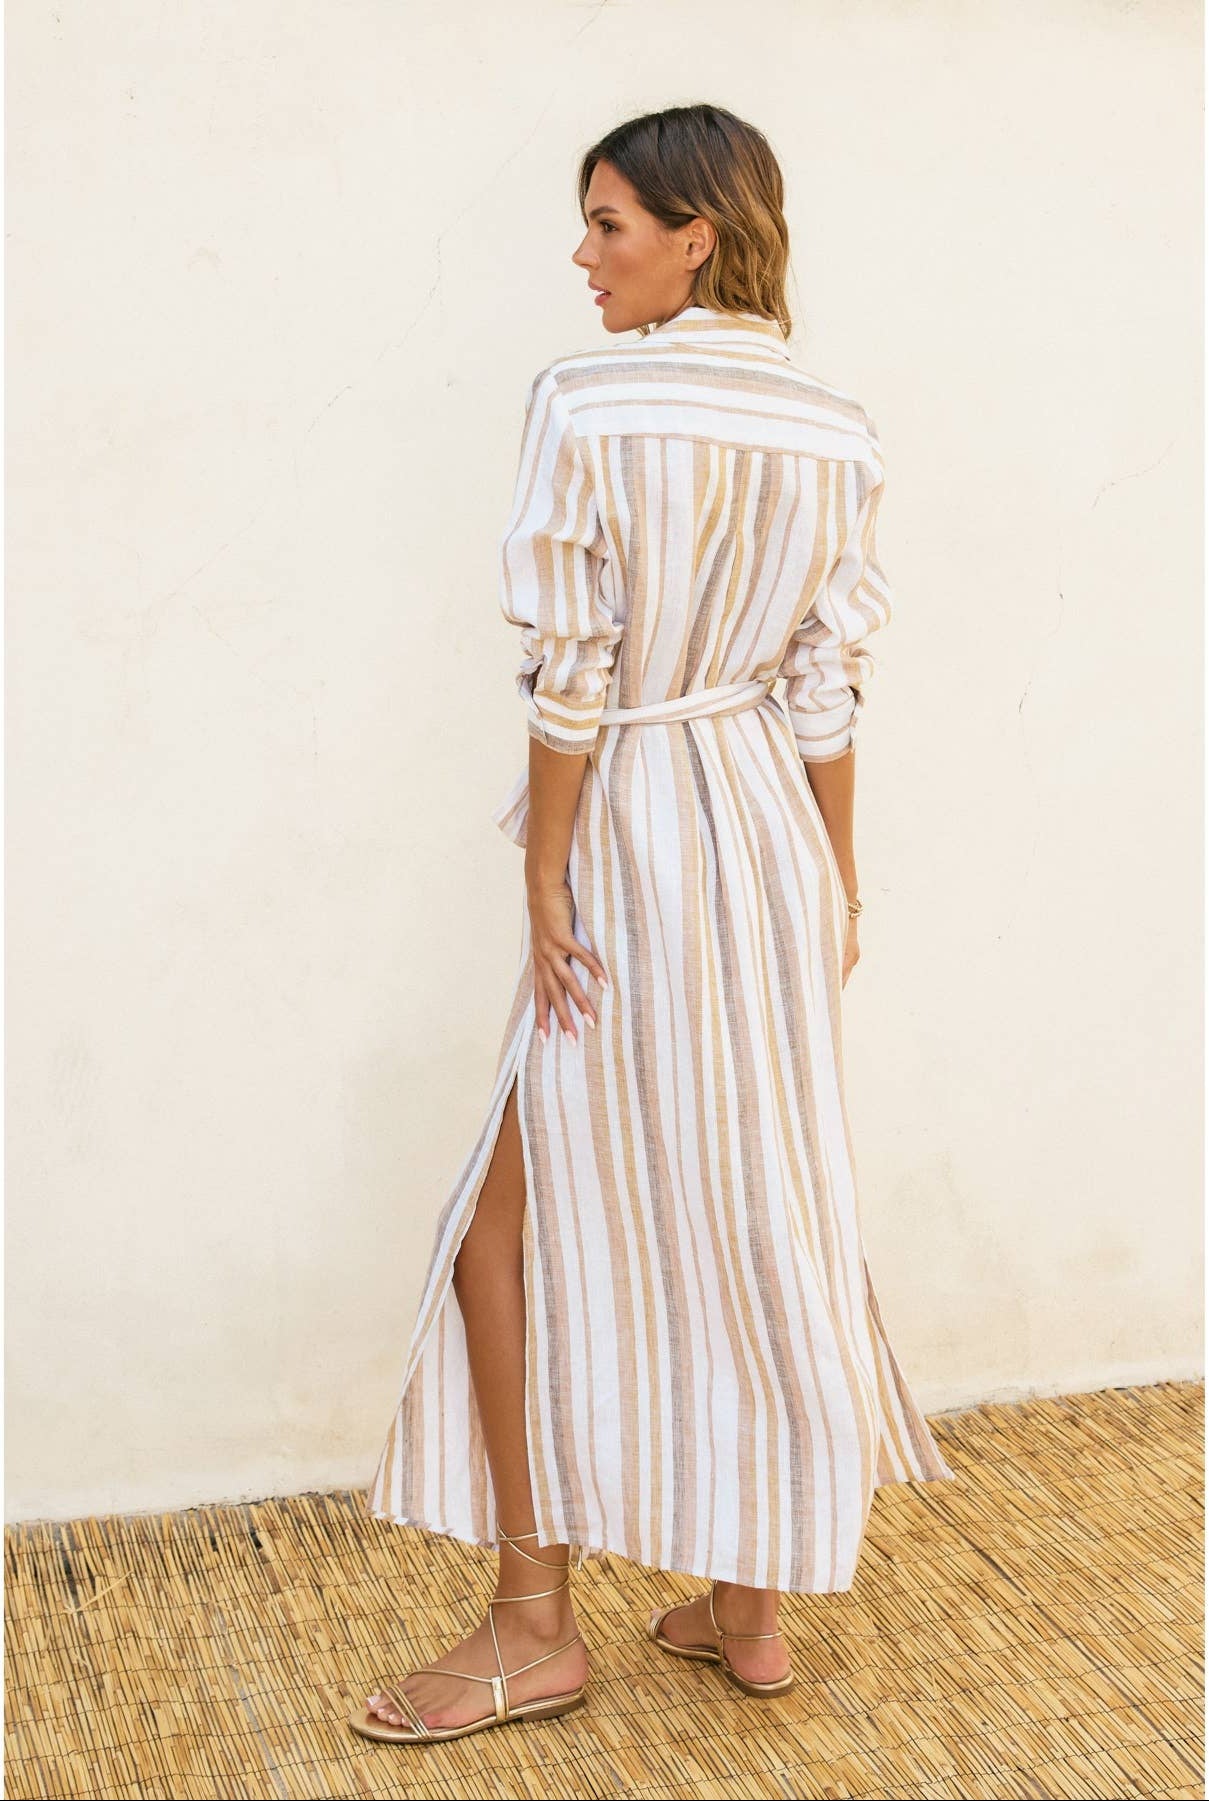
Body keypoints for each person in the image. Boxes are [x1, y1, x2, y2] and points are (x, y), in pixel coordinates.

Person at [349, 101, 955, 1749]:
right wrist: (835, 885)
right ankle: (745, 1605)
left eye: (609, 223)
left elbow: (577, 665)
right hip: (765, 833)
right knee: (750, 1196)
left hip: (631, 823)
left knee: (506, 1222)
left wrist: (544, 870)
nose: (583, 253)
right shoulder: (835, 426)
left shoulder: (586, 398)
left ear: (698, 235)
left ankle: (529, 1624)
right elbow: (827, 680)